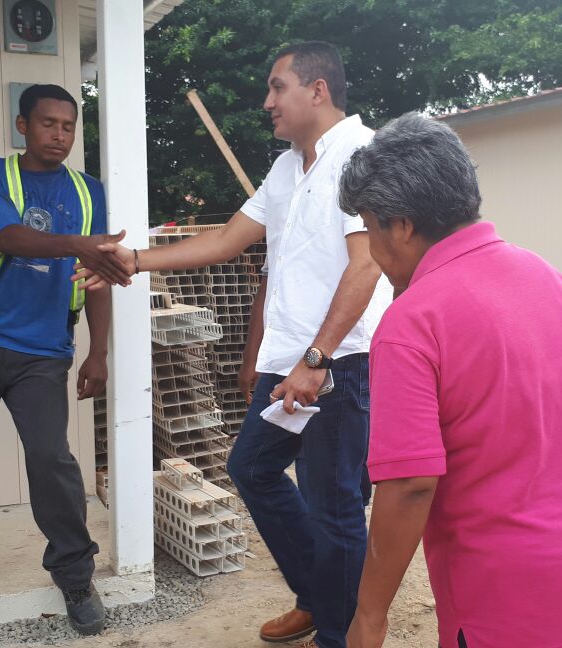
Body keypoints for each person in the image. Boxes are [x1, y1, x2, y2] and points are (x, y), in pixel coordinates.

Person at [81, 41, 391, 648]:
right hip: (289, 360)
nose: (267, 102)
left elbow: (367, 265)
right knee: (251, 468)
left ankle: (339, 633)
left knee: (334, 507)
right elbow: (227, 240)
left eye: (277, 87)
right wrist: (134, 260)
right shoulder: (286, 167)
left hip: (338, 362)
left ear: (317, 90)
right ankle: (319, 596)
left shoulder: (363, 155)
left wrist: (317, 358)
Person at [338, 113, 562, 648]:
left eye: (370, 228)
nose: (372, 250)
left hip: (514, 604)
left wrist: (370, 616)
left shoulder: (412, 321)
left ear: (402, 225)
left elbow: (410, 485)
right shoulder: (545, 274)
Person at [0, 84, 132, 637]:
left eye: (68, 126)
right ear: (23, 125)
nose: (59, 135)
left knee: (51, 459)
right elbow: (10, 238)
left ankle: (75, 577)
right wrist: (79, 244)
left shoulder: (89, 191)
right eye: (47, 123)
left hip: (43, 350)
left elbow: (98, 276)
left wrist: (98, 353)